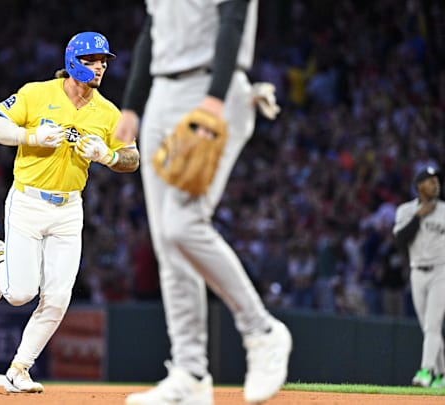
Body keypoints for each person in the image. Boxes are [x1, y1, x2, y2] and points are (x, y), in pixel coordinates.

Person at [114, 1, 292, 404]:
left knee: (183, 224)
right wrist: (132, 104)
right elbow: (151, 29)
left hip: (213, 87)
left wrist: (215, 97)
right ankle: (190, 373)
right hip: (162, 90)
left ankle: (261, 330)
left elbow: (233, 20)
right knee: (166, 242)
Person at [0, 31, 139, 393]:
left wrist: (108, 156)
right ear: (71, 62)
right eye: (91, 60)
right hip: (28, 201)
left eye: (103, 62)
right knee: (20, 293)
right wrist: (30, 137)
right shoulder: (37, 93)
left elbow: (133, 157)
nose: (99, 67)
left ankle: (19, 369)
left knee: (58, 298)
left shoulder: (109, 112)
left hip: (69, 209)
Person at [393, 166, 445, 389]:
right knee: (428, 329)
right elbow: (399, 240)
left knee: (433, 326)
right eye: (429, 181)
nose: (435, 184)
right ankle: (441, 376)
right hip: (417, 273)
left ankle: (425, 372)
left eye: (436, 181)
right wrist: (417, 217)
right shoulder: (405, 211)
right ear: (418, 187)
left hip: (441, 272)